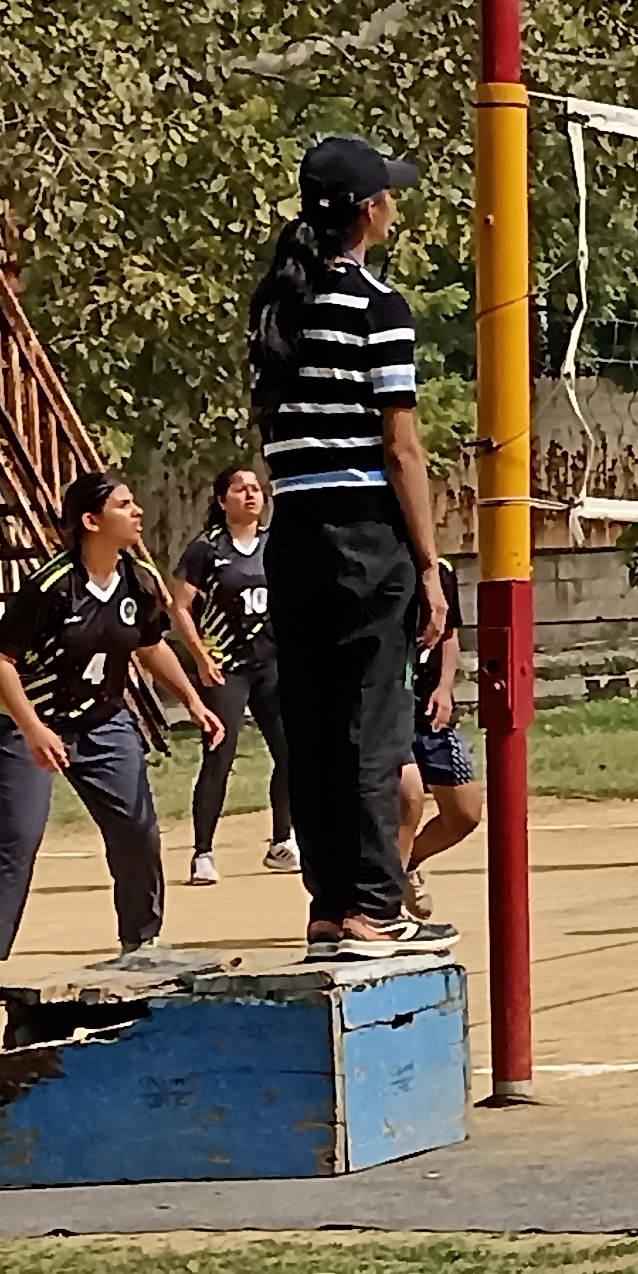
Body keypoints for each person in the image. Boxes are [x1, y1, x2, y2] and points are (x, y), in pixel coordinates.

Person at [247, 135, 453, 963]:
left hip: (292, 533)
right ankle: (373, 906)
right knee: (372, 724)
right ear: (369, 213)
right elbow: (402, 448)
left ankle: (331, 907)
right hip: (364, 531)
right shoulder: (376, 307)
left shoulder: (279, 306)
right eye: (389, 196)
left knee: (317, 723)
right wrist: (431, 564)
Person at [0, 473, 221, 1006]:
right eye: (125, 504)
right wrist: (33, 729)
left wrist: (192, 700)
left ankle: (140, 942)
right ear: (91, 521)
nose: (138, 511)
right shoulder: (52, 587)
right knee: (19, 834)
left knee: (137, 829)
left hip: (102, 721)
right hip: (26, 722)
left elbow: (149, 646)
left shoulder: (140, 581)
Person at [170, 464, 293, 886]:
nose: (250, 495)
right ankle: (203, 852)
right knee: (220, 755)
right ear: (222, 500)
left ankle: (282, 841)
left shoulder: (276, 546)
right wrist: (201, 656)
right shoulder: (207, 549)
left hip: (272, 666)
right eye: (239, 489)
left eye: (256, 488)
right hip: (227, 669)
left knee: (291, 752)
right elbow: (179, 606)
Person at [396, 580, 484, 920]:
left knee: (465, 812)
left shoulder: (439, 572)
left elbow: (449, 634)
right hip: (388, 708)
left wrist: (445, 687)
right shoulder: (379, 559)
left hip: (429, 711)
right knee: (406, 798)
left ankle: (407, 864)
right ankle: (383, 899)